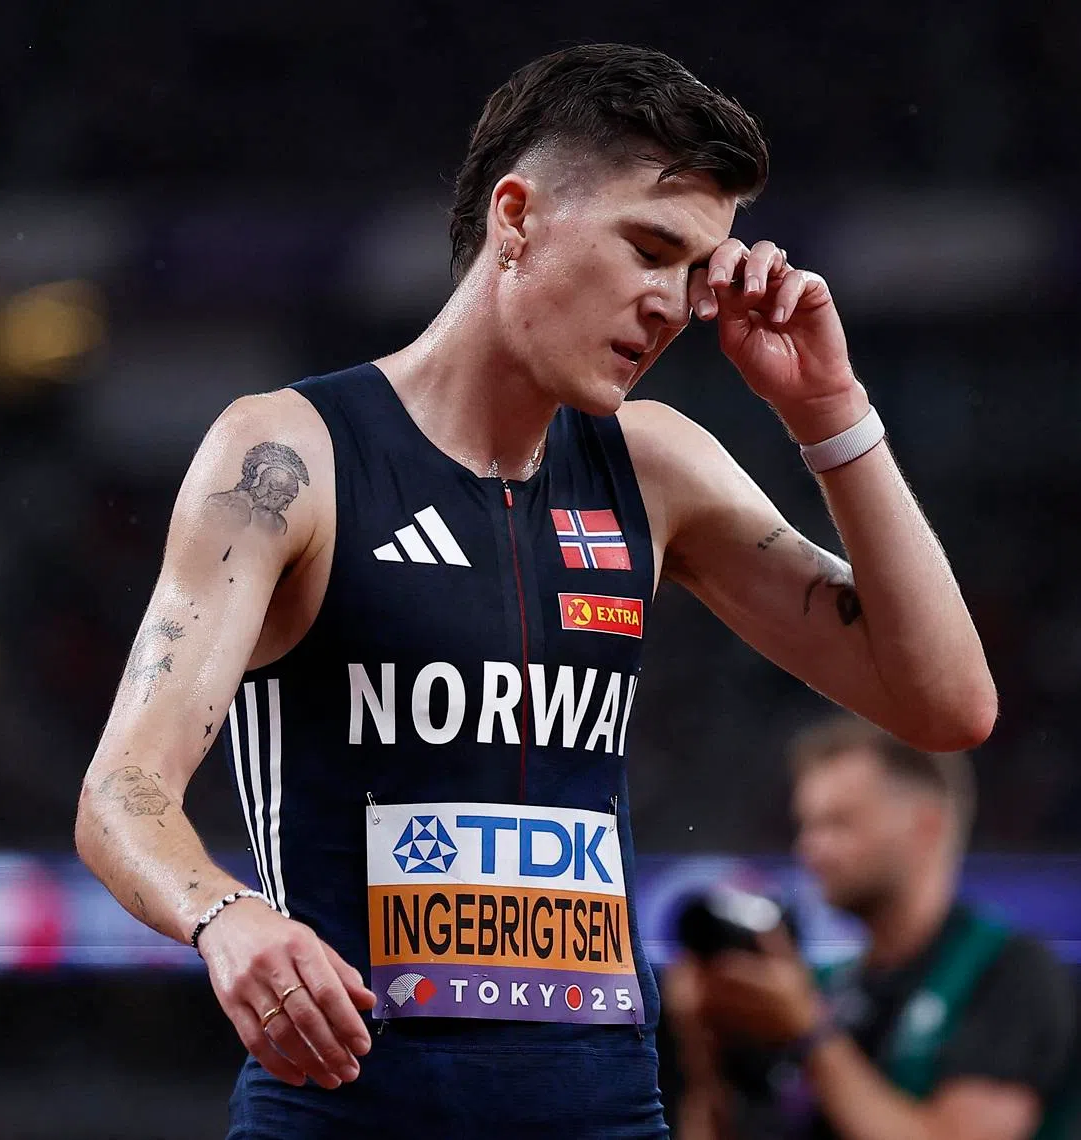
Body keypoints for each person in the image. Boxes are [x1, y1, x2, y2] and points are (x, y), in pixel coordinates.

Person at [74, 43, 998, 1139]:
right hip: (346, 1115)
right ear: (515, 216)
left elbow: (947, 705)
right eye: (650, 249)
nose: (672, 306)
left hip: (605, 1112)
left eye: (698, 275)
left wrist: (832, 415)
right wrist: (225, 918)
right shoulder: (288, 457)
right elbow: (120, 793)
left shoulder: (655, 469)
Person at [663, 715, 1078, 1140]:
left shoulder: (1010, 972)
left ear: (925, 827)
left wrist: (812, 1037)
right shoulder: (825, 985)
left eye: (838, 824)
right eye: (806, 825)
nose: (809, 848)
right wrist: (705, 1053)